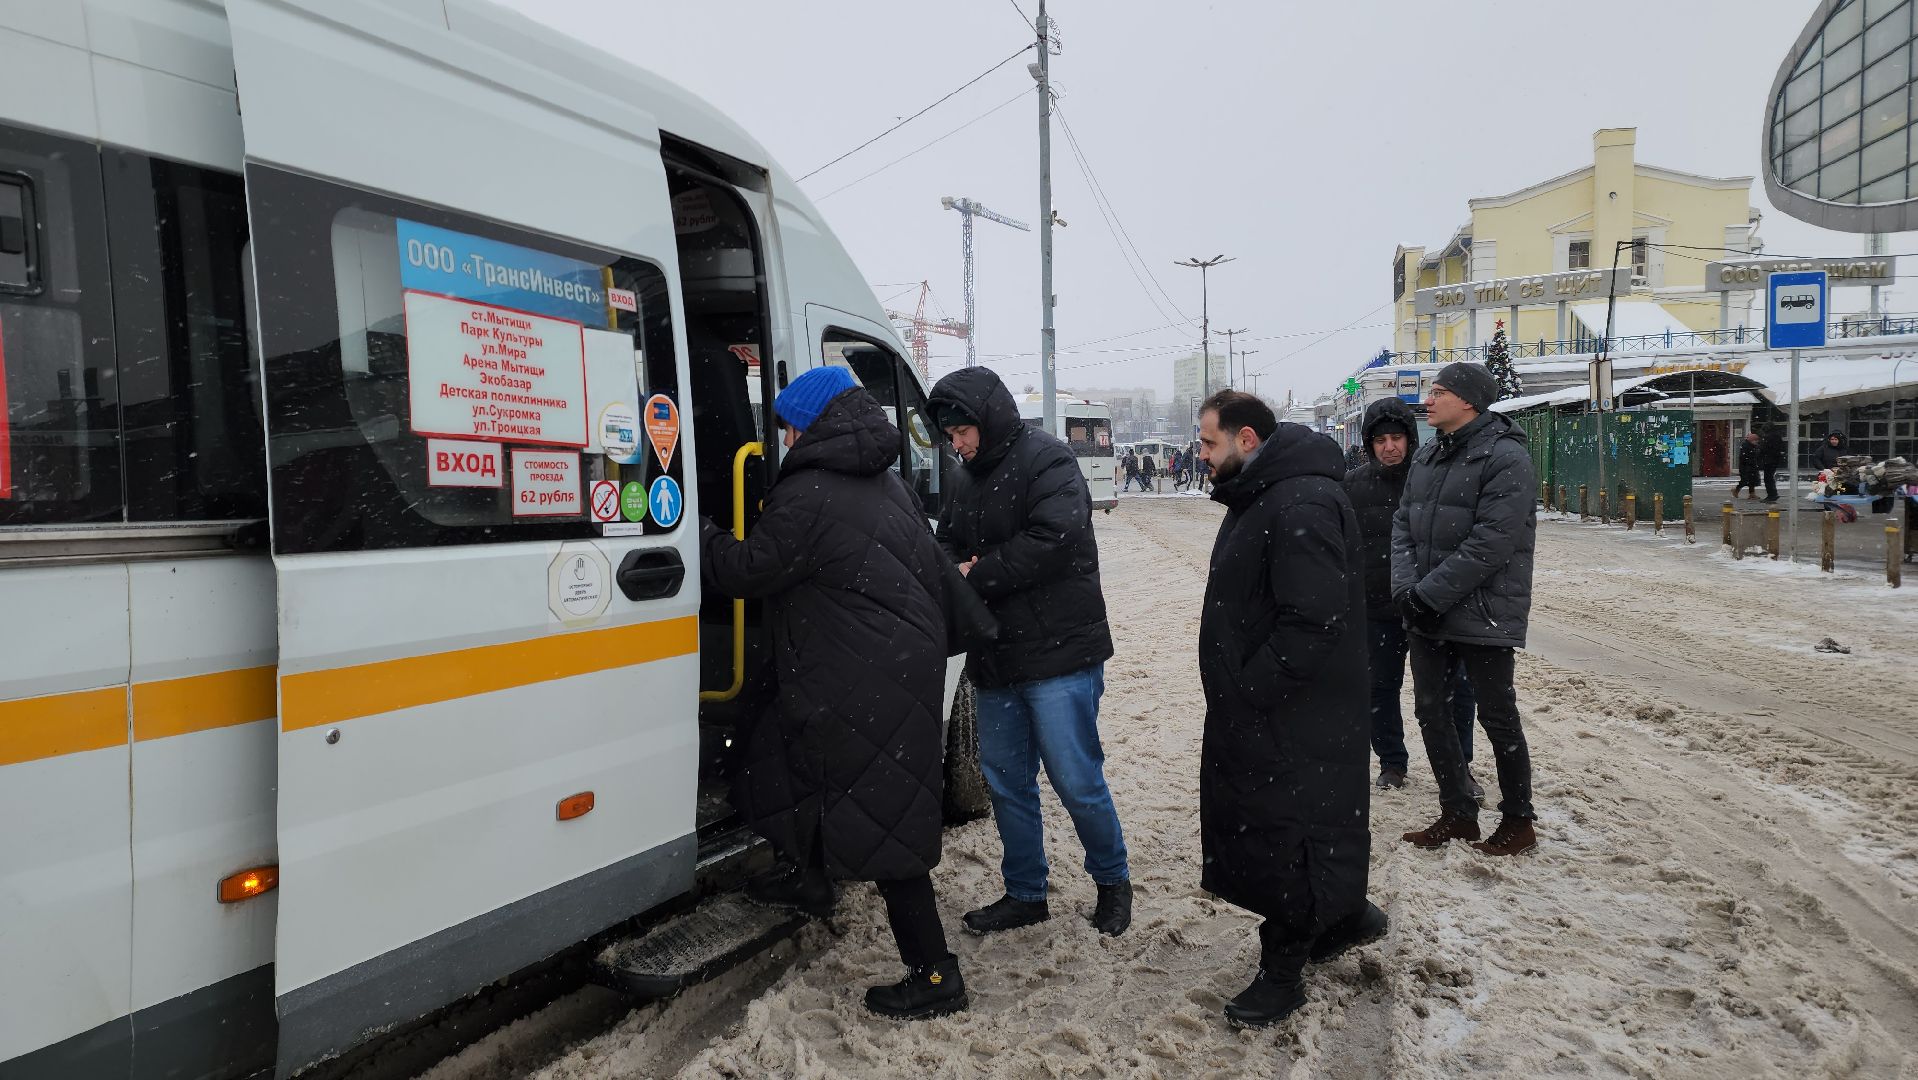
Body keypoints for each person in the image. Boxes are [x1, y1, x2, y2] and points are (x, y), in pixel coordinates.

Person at [699, 365, 965, 1020]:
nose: (785, 438)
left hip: (860, 675)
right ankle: (810, 877)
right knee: (788, 755)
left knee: (885, 820)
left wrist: (700, 534)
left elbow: (749, 569)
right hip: (885, 666)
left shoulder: (811, 493)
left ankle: (936, 976)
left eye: (791, 426)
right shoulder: (886, 482)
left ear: (814, 426)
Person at [1194, 389, 1387, 1029]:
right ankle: (1347, 913)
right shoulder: (1270, 492)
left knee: (1290, 837)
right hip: (1281, 707)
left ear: (1247, 440)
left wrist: (1251, 688)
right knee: (1294, 828)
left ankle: (1283, 971)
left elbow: (1312, 619)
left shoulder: (1298, 498)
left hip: (1295, 711)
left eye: (1209, 442)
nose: (1201, 454)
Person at [928, 366, 1133, 938]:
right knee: (1005, 779)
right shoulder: (964, 478)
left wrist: (976, 571)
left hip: (1060, 651)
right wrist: (949, 564)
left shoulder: (1049, 459)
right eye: (949, 437)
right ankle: (1025, 891)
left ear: (986, 421)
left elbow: (1055, 537)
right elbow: (945, 539)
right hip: (995, 651)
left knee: (1074, 776)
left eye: (962, 432)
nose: (957, 444)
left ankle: (1113, 880)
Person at [1392, 362, 1539, 857]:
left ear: (1470, 401)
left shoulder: (1507, 458)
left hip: (1484, 611)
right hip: (1427, 611)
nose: (1428, 400)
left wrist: (1429, 594)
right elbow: (1403, 528)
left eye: (1438, 392)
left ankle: (1518, 821)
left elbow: (1492, 542)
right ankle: (1458, 812)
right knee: (1431, 710)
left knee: (1497, 715)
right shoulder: (1429, 457)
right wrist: (1409, 591)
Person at [1342, 398, 1480, 795]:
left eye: (1397, 437)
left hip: (1431, 606)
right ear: (1370, 443)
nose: (1390, 447)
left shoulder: (1435, 478)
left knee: (1451, 691)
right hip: (1376, 608)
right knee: (1379, 689)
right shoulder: (1352, 486)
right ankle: (1392, 762)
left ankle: (1459, 768)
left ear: (1410, 437)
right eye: (1381, 439)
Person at [1760, 423, 1786, 502]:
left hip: (1769, 459)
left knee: (1768, 478)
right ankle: (1773, 494)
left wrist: (1760, 451)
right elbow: (1780, 448)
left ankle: (1772, 495)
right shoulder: (1777, 436)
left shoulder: (1769, 437)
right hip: (1774, 459)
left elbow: (1764, 449)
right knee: (1770, 477)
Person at [1735, 431, 1763, 500]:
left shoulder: (1754, 446)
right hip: (1746, 466)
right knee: (1745, 480)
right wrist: (1750, 461)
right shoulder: (1746, 446)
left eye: (1757, 440)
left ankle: (1752, 494)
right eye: (1755, 440)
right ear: (1751, 440)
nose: (1756, 442)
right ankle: (1736, 490)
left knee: (1752, 480)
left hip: (1752, 465)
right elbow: (1744, 457)